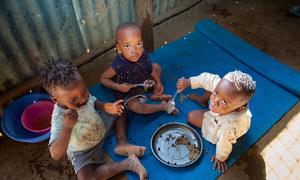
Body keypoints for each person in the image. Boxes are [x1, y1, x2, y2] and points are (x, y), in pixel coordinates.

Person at [40, 58, 147, 180]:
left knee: (120, 109)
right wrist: (67, 127)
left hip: (99, 126)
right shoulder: (59, 117)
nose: (82, 99)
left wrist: (106, 107)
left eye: (84, 91)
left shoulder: (79, 93)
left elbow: (93, 101)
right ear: (56, 99)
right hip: (83, 150)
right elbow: (55, 154)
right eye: (74, 99)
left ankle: (121, 144)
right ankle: (128, 164)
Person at [100, 22, 178, 158]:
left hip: (143, 83)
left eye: (138, 44)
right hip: (128, 92)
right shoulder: (119, 64)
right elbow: (103, 79)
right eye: (127, 45)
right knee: (136, 107)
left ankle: (154, 94)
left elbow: (150, 69)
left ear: (142, 43)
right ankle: (162, 107)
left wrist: (158, 82)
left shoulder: (142, 55)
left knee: (157, 67)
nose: (134, 50)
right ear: (119, 48)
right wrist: (120, 87)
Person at [177, 70, 256, 172]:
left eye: (224, 102)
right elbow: (207, 79)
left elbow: (224, 145)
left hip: (222, 125)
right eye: (215, 93)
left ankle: (209, 104)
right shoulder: (223, 88)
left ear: (239, 108)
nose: (214, 101)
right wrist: (188, 82)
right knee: (211, 87)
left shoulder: (228, 127)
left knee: (191, 116)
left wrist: (220, 157)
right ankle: (203, 99)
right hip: (223, 113)